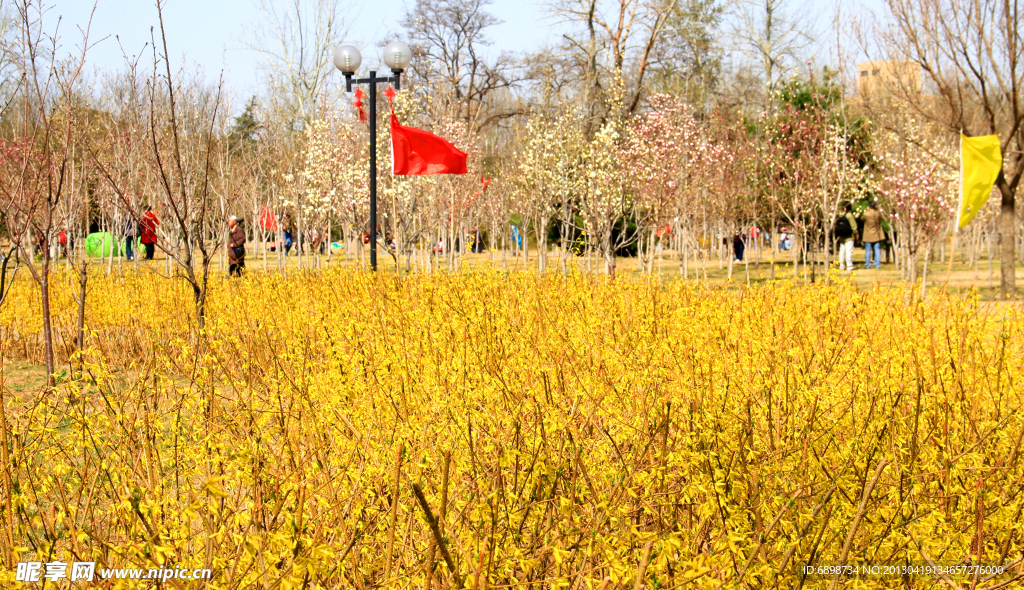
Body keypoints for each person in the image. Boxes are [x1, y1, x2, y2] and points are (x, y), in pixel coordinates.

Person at [859, 200, 883, 269]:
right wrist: (877, 209)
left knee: (868, 251)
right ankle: (877, 265)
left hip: (868, 235)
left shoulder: (866, 214)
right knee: (877, 250)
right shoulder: (878, 213)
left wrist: (867, 210)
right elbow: (880, 216)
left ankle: (867, 265)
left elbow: (862, 219)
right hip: (876, 234)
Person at [834, 202, 858, 271]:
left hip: (841, 236)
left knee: (842, 251)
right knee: (848, 251)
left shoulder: (840, 215)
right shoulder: (849, 215)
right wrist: (856, 235)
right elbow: (854, 227)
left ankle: (841, 266)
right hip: (849, 236)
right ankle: (849, 266)